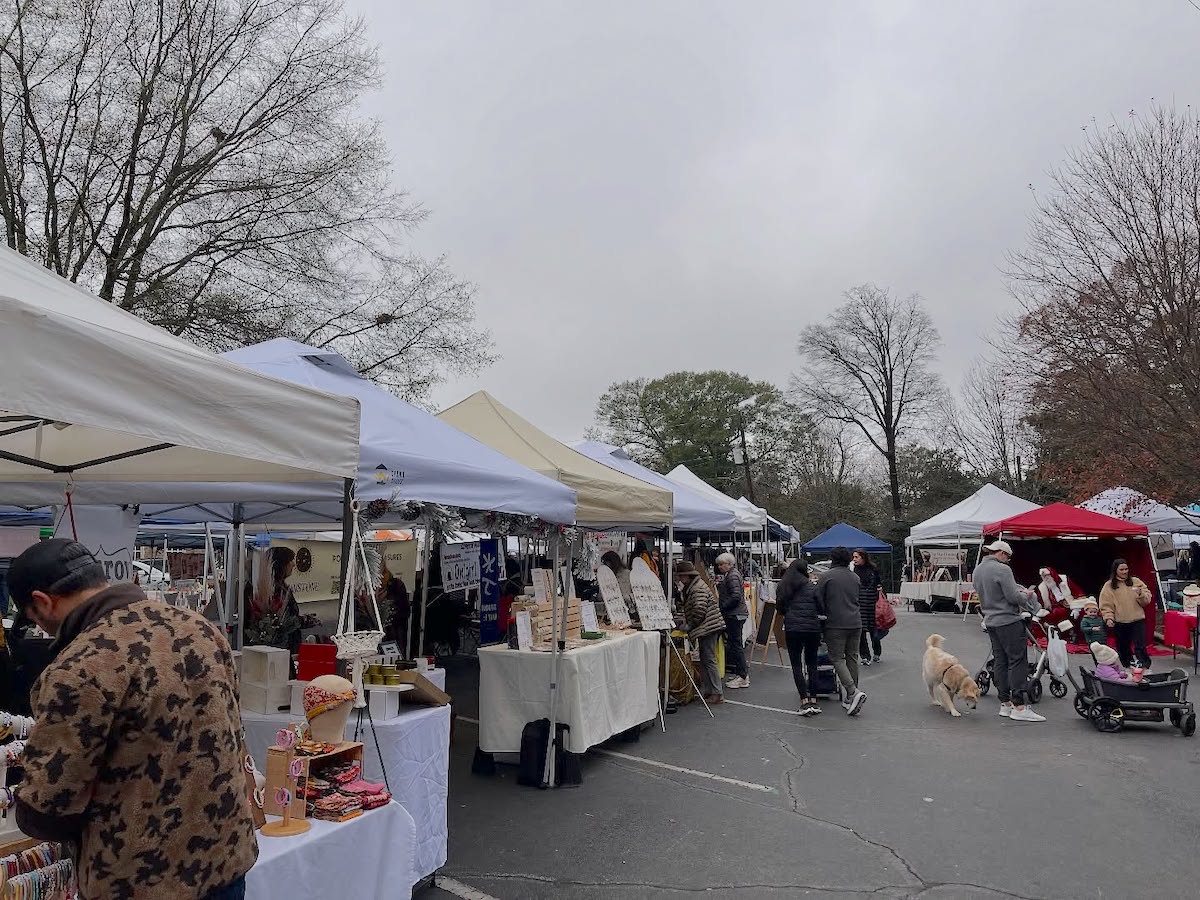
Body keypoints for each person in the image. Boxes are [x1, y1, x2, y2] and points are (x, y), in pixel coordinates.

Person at [8, 539, 256, 899]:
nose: (42, 630)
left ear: (43, 602)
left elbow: (50, 805)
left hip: (138, 880)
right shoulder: (199, 629)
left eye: (34, 619)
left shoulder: (80, 666)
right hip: (225, 863)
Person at [976, 539, 1045, 722]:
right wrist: (1027, 595)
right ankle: (1019, 706)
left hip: (990, 620)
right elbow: (1013, 597)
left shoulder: (978, 570)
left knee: (1000, 661)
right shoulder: (1002, 569)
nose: (1008, 561)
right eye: (1008, 557)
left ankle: (1005, 703)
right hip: (1008, 620)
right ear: (1001, 553)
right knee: (1017, 661)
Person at [816, 547, 866, 716]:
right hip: (855, 621)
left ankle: (853, 692)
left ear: (832, 559)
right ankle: (849, 698)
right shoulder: (855, 577)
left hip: (835, 623)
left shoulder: (826, 577)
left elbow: (818, 598)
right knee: (852, 657)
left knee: (836, 658)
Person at [776, 559, 823, 716]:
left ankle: (804, 700)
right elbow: (821, 606)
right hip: (812, 628)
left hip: (793, 628)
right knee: (812, 664)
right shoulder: (812, 586)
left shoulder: (783, 586)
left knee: (796, 665)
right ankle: (814, 700)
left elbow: (780, 608)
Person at [676, 560, 725, 704]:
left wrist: (690, 625)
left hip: (708, 627)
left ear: (687, 575)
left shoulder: (697, 588)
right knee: (706, 659)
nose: (679, 579)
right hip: (709, 626)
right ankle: (711, 691)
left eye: (681, 576)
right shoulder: (695, 586)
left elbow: (699, 610)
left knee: (709, 660)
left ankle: (716, 692)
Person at [1099, 558, 1152, 669]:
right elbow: (1106, 605)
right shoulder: (1109, 586)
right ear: (1115, 570)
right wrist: (1108, 618)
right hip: (1120, 622)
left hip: (1137, 620)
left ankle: (1144, 667)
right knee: (1123, 647)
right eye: (1121, 569)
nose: (1125, 572)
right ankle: (1129, 667)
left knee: (1140, 646)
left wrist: (1141, 594)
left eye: (1126, 569)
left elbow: (1147, 601)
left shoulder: (1136, 582)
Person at [714, 552, 750, 690]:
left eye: (721, 564)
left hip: (734, 614)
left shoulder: (732, 576)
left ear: (729, 564)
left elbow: (735, 596)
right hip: (736, 614)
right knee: (735, 644)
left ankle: (742, 676)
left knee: (735, 645)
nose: (720, 567)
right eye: (719, 564)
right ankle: (741, 674)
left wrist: (722, 606)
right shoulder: (733, 575)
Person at [852, 549, 885, 665]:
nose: (854, 559)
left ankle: (877, 652)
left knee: (874, 633)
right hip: (859, 605)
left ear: (863, 557)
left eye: (856, 557)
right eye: (854, 557)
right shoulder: (854, 570)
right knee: (861, 633)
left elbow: (879, 585)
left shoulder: (873, 569)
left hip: (873, 605)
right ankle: (865, 656)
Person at [600, 550, 638, 625]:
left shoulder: (627, 574)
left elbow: (632, 593)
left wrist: (628, 598)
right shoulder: (607, 576)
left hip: (628, 611)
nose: (604, 565)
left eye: (605, 562)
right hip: (613, 611)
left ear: (612, 562)